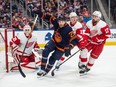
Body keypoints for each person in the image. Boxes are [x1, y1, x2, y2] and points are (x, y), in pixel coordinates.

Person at [34, 10, 79, 76]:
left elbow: (75, 40)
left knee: (52, 59)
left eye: (62, 22)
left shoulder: (68, 29)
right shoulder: (55, 22)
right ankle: (42, 69)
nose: (60, 23)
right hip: (54, 41)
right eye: (59, 21)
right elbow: (48, 17)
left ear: (65, 22)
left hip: (62, 47)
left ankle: (46, 71)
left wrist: (69, 47)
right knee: (45, 51)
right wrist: (40, 13)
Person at [78, 11, 111, 75]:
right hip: (90, 42)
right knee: (83, 51)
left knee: (92, 58)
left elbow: (108, 35)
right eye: (93, 16)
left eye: (96, 17)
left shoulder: (103, 25)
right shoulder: (89, 23)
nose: (94, 18)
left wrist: (97, 38)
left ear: (99, 17)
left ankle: (88, 68)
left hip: (99, 44)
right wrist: (84, 42)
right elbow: (87, 33)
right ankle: (83, 65)